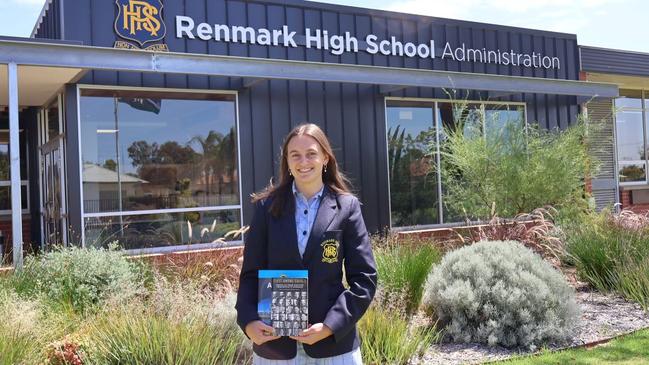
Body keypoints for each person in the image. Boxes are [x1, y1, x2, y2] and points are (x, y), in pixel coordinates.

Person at [235, 123, 377, 364]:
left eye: (311, 153)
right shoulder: (265, 208)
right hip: (275, 347)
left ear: (325, 158)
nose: (304, 162)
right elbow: (250, 274)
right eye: (295, 155)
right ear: (287, 162)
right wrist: (248, 322)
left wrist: (330, 326)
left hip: (333, 346)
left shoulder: (347, 207)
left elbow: (364, 279)